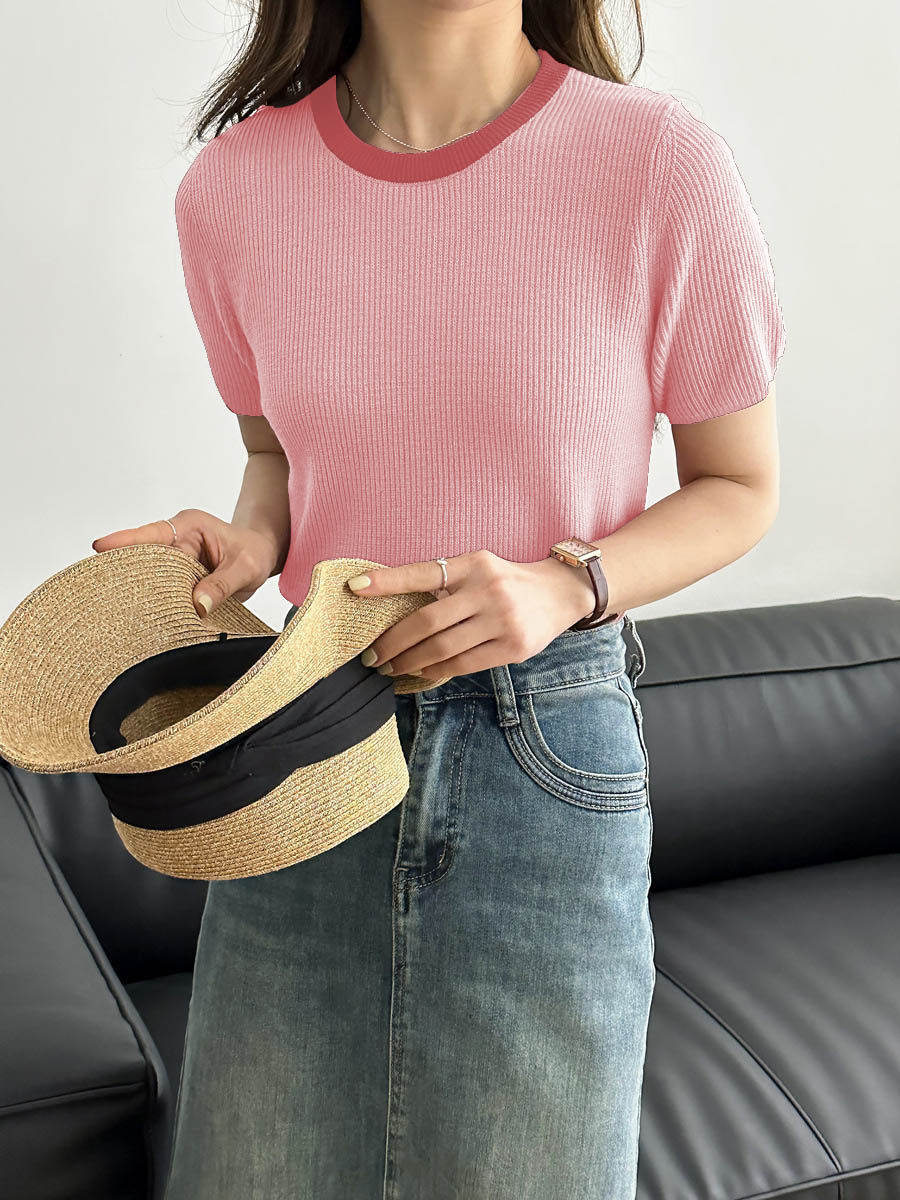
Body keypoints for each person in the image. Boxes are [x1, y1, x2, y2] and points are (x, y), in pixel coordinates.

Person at [94, 4, 785, 1197]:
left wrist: (568, 585)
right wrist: (253, 542)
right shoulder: (233, 191)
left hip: (547, 751)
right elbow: (275, 454)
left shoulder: (656, 164)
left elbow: (739, 486)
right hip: (304, 742)